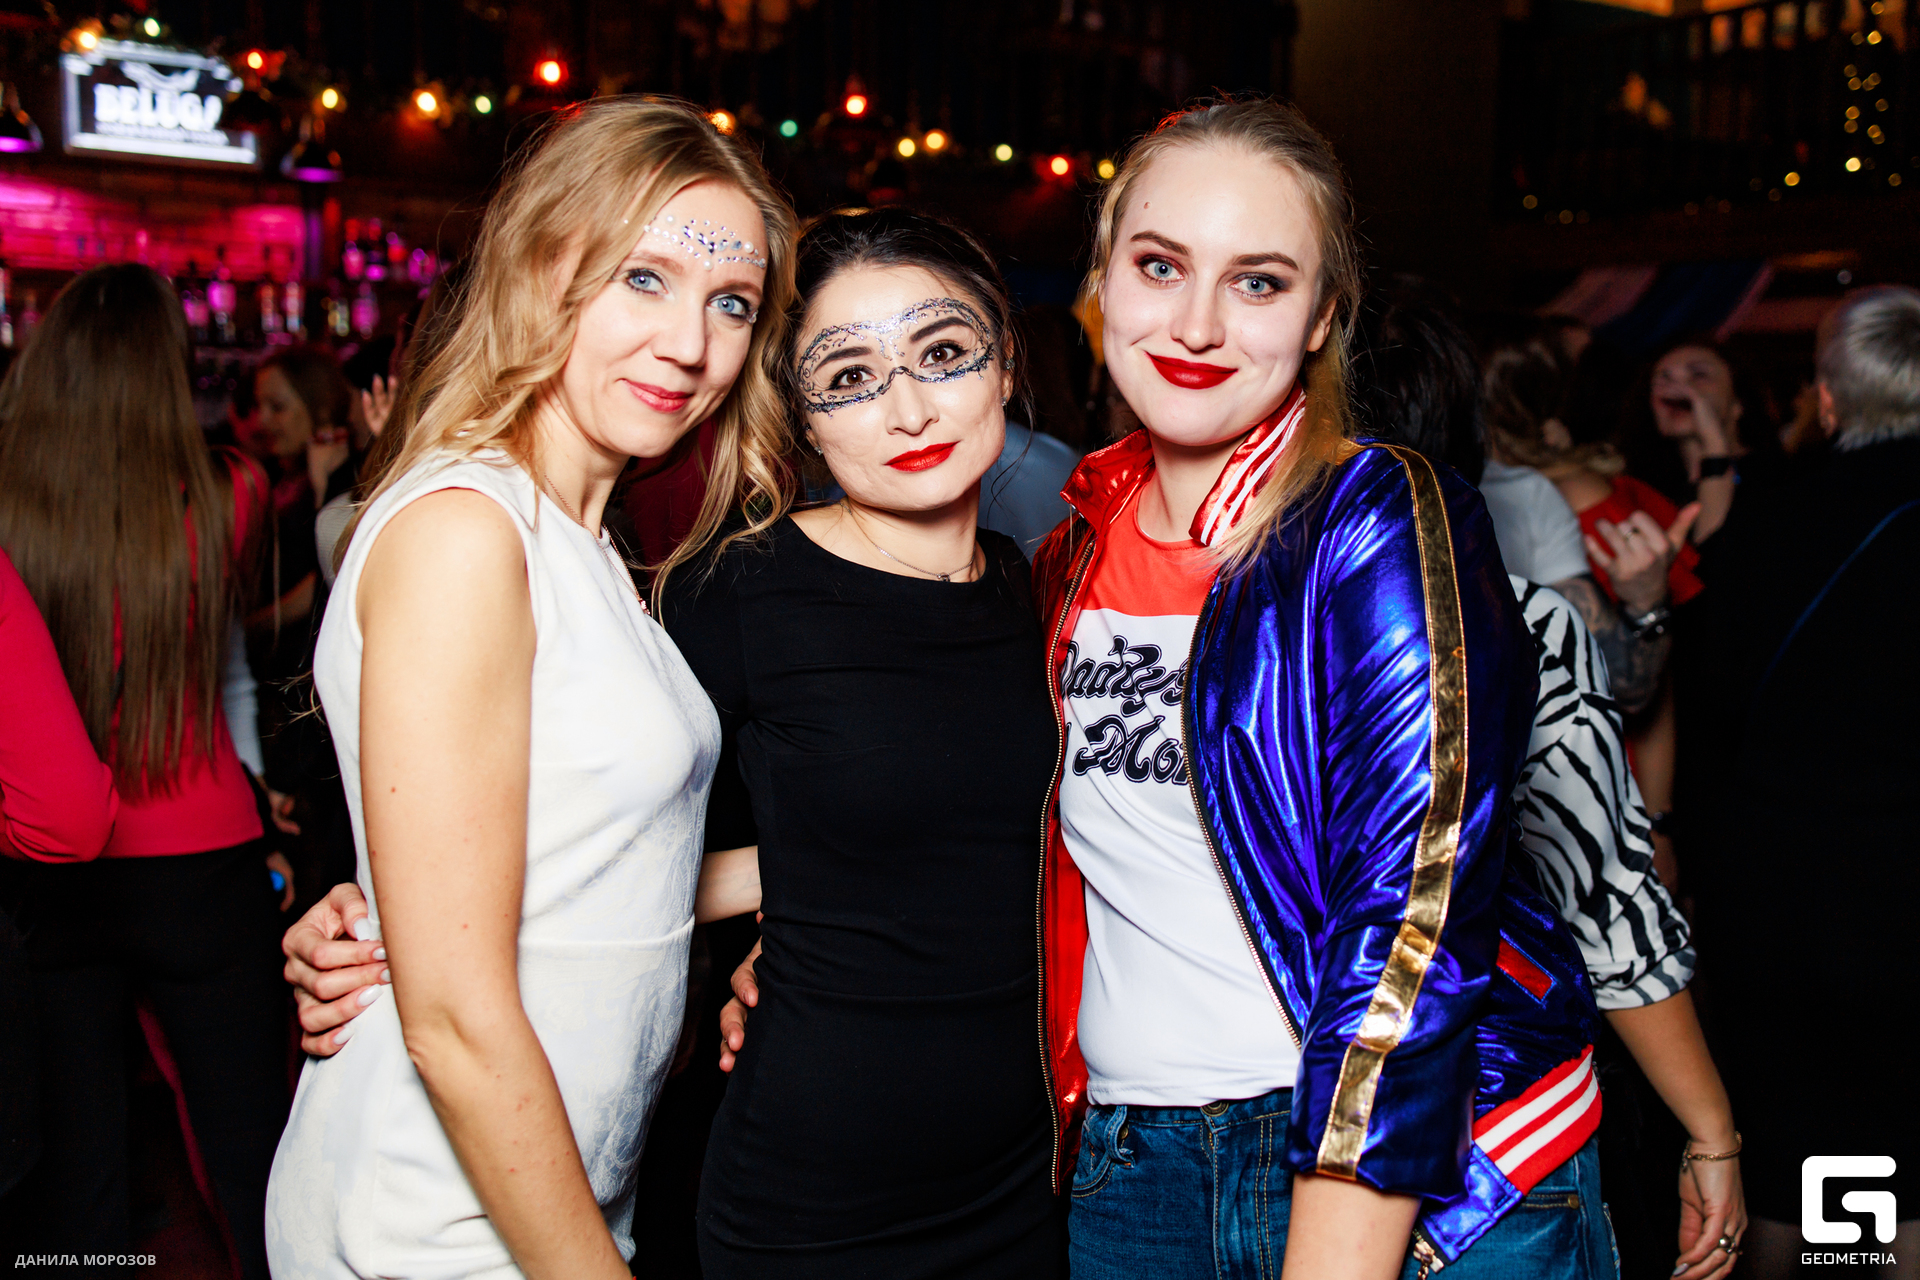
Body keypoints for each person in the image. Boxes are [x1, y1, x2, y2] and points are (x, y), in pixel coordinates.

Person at [287, 205, 1069, 1279]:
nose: (908, 408)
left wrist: (823, 883)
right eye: (848, 376)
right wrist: (372, 910)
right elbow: (586, 815)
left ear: (1005, 361)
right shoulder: (736, 591)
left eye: (942, 353)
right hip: (821, 1192)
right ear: (802, 417)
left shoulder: (1048, 588)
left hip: (1030, 1173)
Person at [262, 98, 792, 1279]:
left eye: (732, 302)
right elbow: (454, 1014)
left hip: (541, 1195)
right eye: (644, 278)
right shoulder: (468, 529)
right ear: (543, 266)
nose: (691, 342)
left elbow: (600, 874)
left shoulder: (584, 543)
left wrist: (864, 857)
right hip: (432, 1216)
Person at [1350, 284, 1747, 1280]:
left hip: (1221, 1131)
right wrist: (1711, 1130)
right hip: (1488, 1134)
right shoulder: (1511, 615)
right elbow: (1602, 896)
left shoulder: (1159, 620)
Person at [0, 264, 285, 1279]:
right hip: (203, 861)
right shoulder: (234, 493)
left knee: (79, 1171)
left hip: (51, 869)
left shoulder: (10, 513)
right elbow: (227, 667)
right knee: (252, 1148)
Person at [1674, 286, 1920, 1280]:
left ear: (1827, 400)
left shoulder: (1772, 522)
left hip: (1788, 897)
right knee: (1895, 1154)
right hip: (1900, 897)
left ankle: (1837, 1262)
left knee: (1807, 1149)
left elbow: (1709, 711)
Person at [1353, 284, 1684, 716]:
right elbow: (1623, 685)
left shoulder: (1525, 494)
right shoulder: (1521, 494)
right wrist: (1647, 605)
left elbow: (1620, 686)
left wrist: (1646, 602)